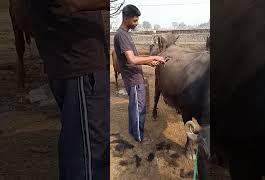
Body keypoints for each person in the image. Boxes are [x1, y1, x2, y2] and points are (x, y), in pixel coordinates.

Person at [29, 1, 109, 179]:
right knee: (89, 159)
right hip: (79, 65)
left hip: (71, 63)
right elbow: (71, 3)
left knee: (77, 146)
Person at [113, 4, 165, 142]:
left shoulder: (125, 34)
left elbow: (131, 59)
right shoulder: (122, 35)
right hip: (133, 79)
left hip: (134, 77)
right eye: (135, 21)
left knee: (134, 106)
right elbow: (132, 59)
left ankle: (133, 130)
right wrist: (154, 57)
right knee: (139, 108)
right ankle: (139, 136)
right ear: (126, 18)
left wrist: (148, 63)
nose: (137, 23)